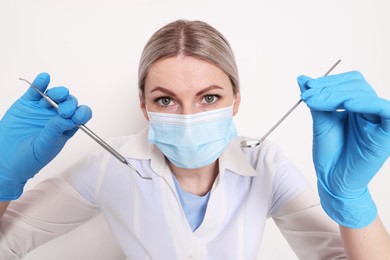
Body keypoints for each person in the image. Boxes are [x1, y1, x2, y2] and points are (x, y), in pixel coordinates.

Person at [0, 19, 389, 259]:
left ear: (236, 100)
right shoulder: (110, 166)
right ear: (143, 104)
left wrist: (352, 199)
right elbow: (7, 245)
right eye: (166, 99)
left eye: (209, 98)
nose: (188, 118)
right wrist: (1, 180)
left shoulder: (264, 164)